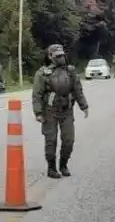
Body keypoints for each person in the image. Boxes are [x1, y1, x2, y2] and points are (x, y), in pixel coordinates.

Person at [32, 44, 89, 178]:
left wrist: (84, 106)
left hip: (67, 110)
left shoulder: (70, 71)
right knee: (51, 141)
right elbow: (37, 94)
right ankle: (51, 168)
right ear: (50, 56)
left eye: (62, 55)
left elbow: (77, 90)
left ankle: (63, 165)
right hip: (50, 111)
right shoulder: (42, 73)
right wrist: (38, 113)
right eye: (57, 56)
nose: (61, 58)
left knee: (69, 140)